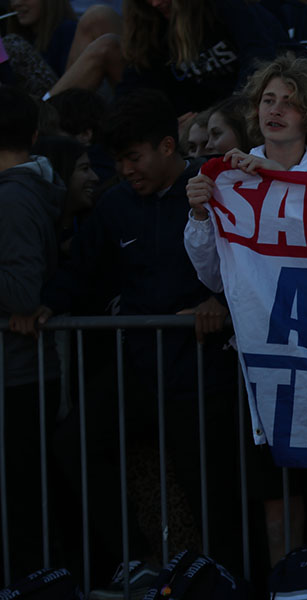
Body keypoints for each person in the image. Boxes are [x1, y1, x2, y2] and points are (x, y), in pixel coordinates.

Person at [23, 88, 243, 588]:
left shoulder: (216, 192)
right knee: (72, 443)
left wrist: (222, 304)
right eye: (117, 160)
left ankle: (230, 579)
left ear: (168, 147)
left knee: (211, 489)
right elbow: (81, 271)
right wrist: (43, 305)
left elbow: (250, 267)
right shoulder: (114, 206)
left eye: (132, 157)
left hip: (200, 372)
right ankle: (132, 558)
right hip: (139, 367)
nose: (124, 170)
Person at [183, 54, 307, 564]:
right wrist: (201, 213)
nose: (277, 110)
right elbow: (213, 275)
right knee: (277, 514)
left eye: (290, 101)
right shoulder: (228, 179)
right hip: (263, 370)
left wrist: (274, 180)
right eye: (268, 100)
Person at [0, 84, 65, 583]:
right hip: (18, 375)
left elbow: (21, 291)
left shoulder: (15, 197)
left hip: (17, 379)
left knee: (21, 515)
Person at [118, 0, 287, 116]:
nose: (155, 3)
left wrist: (227, 112)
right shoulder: (153, 23)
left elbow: (260, 58)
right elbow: (136, 84)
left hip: (256, 101)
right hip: (201, 121)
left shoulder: (225, 7)